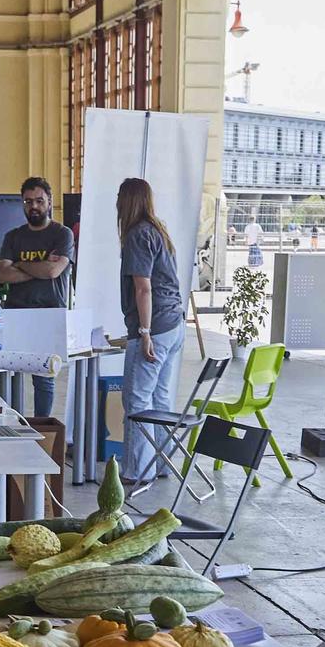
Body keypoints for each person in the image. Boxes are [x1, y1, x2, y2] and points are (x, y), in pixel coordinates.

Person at [116, 176, 187, 486]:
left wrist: (143, 331)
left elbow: (143, 288)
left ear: (126, 201)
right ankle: (163, 464)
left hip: (155, 327)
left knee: (137, 402)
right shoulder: (159, 230)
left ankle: (133, 471)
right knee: (160, 400)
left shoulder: (137, 235)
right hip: (174, 324)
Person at [0, 174, 74, 416]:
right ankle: (10, 424)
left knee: (44, 378)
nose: (34, 206)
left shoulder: (62, 234)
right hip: (16, 312)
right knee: (8, 376)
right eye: (28, 201)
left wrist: (18, 264)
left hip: (48, 314)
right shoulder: (13, 236)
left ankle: (42, 429)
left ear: (49, 202)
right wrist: (38, 267)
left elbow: (53, 271)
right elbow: (3, 275)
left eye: (39, 201)